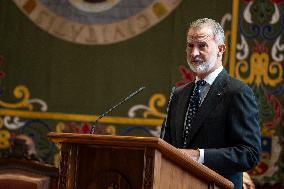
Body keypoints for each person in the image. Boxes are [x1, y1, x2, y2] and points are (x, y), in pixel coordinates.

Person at [160, 18, 261, 189]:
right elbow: (166, 147)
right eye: (190, 46)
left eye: (202, 46)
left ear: (221, 49)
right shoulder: (179, 94)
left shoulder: (237, 92)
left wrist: (199, 155)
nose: (194, 53)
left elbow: (249, 154)